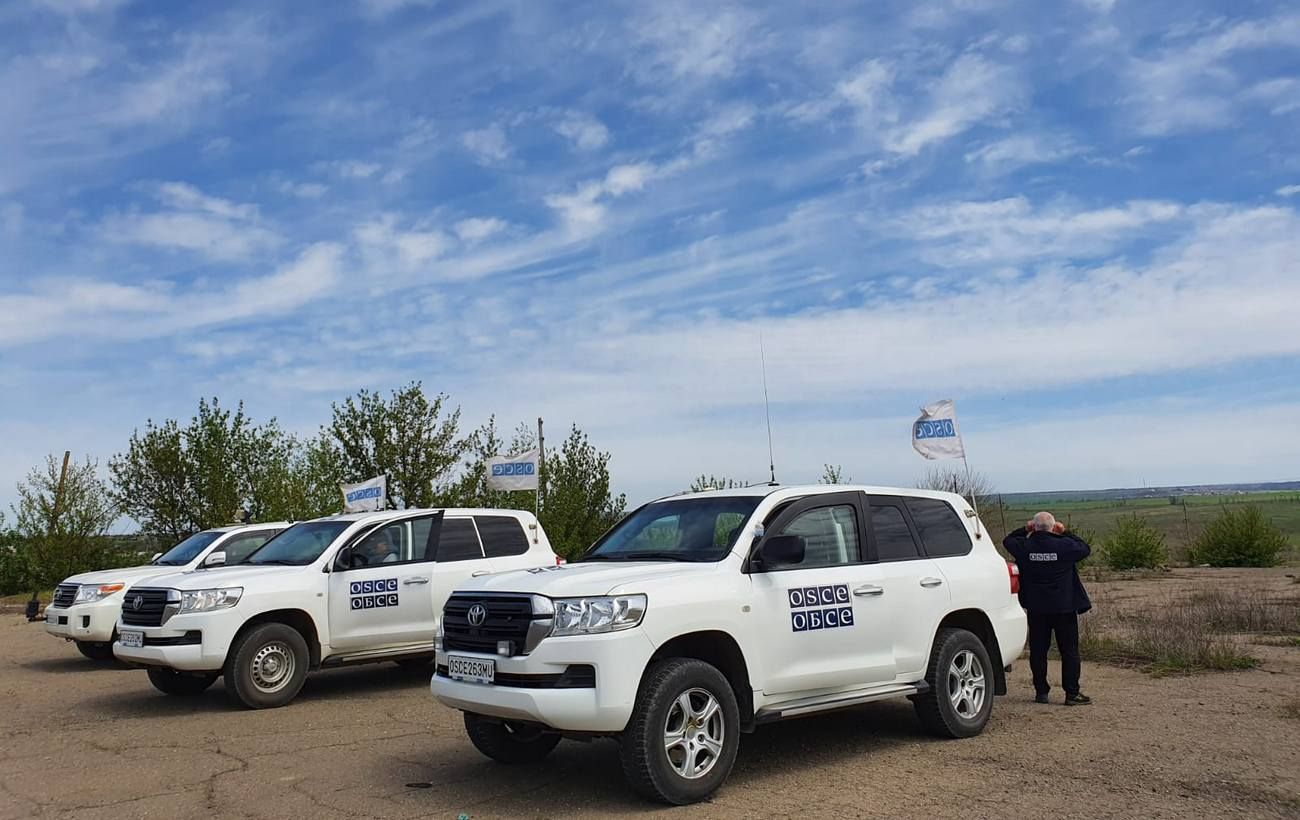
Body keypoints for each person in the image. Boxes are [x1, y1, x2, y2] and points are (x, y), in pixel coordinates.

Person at [1003, 511, 1092, 706]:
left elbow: (1008, 540)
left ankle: (1041, 692)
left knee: (1038, 651)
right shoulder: (1065, 545)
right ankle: (1072, 693)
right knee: (1069, 651)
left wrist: (1025, 529)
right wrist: (1065, 531)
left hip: (1037, 609)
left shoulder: (1024, 546)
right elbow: (1085, 548)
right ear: (1053, 527)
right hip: (1064, 608)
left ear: (1034, 527)